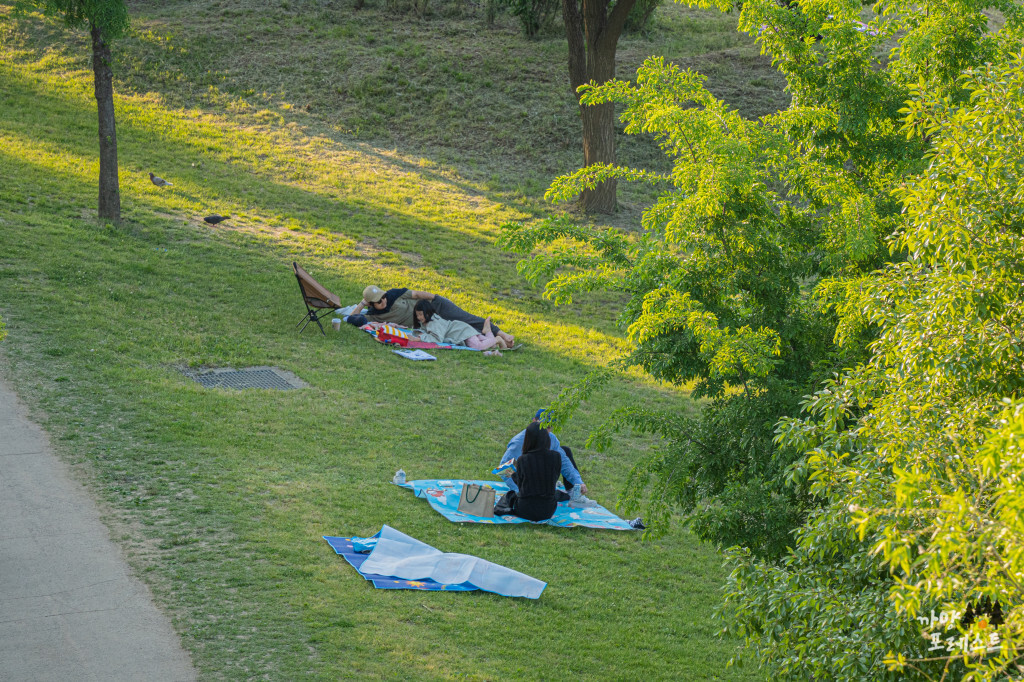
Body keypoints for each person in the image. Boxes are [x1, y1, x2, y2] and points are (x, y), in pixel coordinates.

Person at [347, 285, 514, 346]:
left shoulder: (394, 294)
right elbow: (351, 318)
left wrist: (436, 299)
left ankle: (502, 335)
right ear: (371, 304)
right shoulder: (374, 316)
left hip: (434, 307)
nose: (383, 301)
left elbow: (418, 294)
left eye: (382, 297)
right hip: (427, 322)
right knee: (462, 330)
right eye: (378, 301)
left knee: (466, 319)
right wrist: (362, 303)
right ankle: (490, 338)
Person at [497, 409, 589, 502]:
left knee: (565, 450)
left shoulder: (552, 439)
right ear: (534, 421)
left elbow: (564, 462)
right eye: (542, 425)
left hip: (542, 482)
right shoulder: (519, 443)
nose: (545, 430)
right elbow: (504, 468)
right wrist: (519, 490)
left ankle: (572, 490)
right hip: (526, 485)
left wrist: (578, 482)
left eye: (548, 427)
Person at [502, 422, 563, 522]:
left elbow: (522, 487)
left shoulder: (523, 459)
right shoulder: (556, 457)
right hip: (548, 510)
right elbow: (554, 478)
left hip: (524, 509)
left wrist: (514, 475)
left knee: (510, 496)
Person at [412, 300, 507, 352]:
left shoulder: (434, 322)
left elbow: (437, 338)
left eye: (421, 314)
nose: (419, 317)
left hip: (462, 331)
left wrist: (419, 338)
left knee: (478, 346)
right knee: (491, 346)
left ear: (427, 313)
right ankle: (488, 332)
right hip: (461, 331)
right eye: (417, 315)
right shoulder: (428, 321)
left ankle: (498, 339)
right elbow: (426, 331)